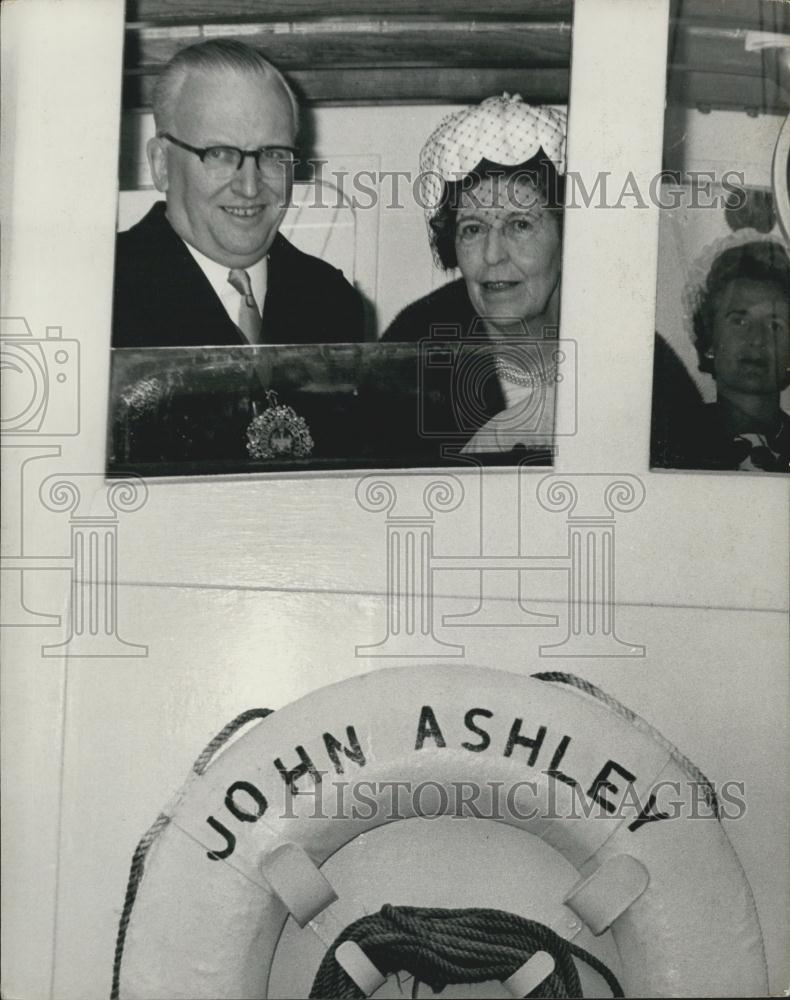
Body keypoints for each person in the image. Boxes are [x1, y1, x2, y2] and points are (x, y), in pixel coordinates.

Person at [384, 94, 699, 461]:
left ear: (569, 236)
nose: (492, 255)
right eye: (472, 229)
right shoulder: (414, 343)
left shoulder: (628, 350)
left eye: (520, 225)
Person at [112, 40, 364, 348]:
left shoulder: (332, 301)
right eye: (219, 154)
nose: (249, 187)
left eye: (272, 154)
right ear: (161, 164)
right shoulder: (103, 293)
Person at [670, 235, 790, 472]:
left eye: (774, 325)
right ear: (709, 338)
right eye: (739, 321)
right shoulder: (671, 441)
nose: (757, 339)